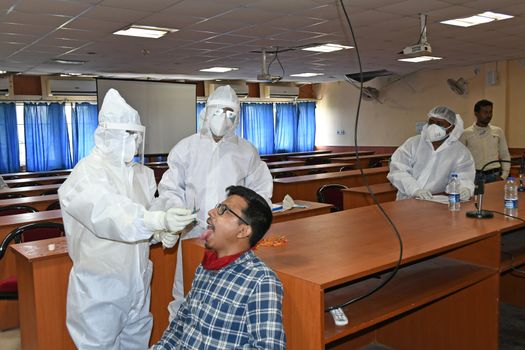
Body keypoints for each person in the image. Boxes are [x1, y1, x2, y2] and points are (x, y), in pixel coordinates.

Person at [58, 89, 196, 350]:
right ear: (107, 134)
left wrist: (160, 232)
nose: (134, 142)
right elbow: (110, 215)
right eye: (128, 135)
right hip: (100, 286)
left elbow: (146, 215)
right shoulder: (86, 174)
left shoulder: (141, 174)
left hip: (138, 282)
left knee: (136, 341)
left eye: (137, 135)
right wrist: (156, 220)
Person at [152, 85, 273, 319]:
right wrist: (175, 211)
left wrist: (247, 226)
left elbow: (261, 192)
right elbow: (169, 187)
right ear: (206, 113)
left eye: (230, 113)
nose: (223, 119)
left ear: (237, 117)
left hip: (233, 240)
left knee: (229, 297)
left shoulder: (247, 152)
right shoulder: (186, 148)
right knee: (185, 293)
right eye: (218, 112)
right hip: (193, 234)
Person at [152, 185, 285, 350]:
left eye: (224, 210)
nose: (211, 212)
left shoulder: (260, 282)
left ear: (243, 231)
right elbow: (179, 327)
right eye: (217, 207)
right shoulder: (205, 267)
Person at [388, 105, 475, 200]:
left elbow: (464, 174)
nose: (434, 126)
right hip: (407, 199)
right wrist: (415, 190)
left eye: (440, 123)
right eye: (431, 122)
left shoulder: (460, 152)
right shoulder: (413, 143)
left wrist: (465, 189)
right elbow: (398, 170)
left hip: (436, 201)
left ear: (451, 127)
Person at [460, 99, 511, 183]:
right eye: (485, 112)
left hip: (495, 176)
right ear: (476, 113)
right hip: (474, 177)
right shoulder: (466, 133)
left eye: (490, 112)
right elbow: (461, 158)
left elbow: (504, 154)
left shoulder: (498, 131)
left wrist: (504, 175)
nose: (489, 115)